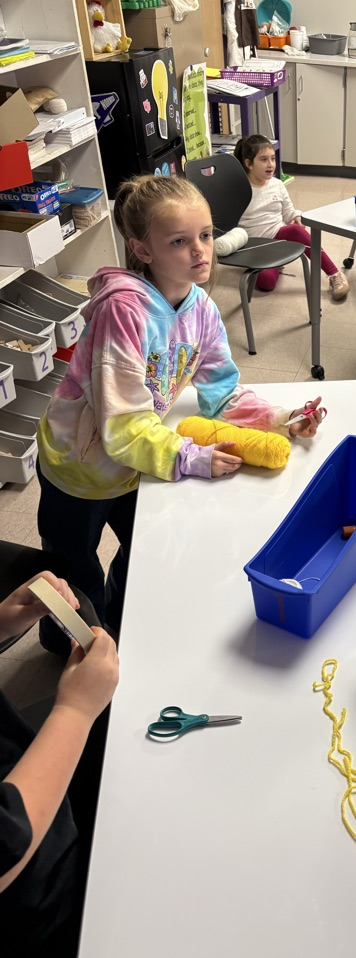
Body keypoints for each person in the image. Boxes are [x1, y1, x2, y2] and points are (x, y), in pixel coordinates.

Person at [36, 174, 325, 651]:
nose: (201, 251)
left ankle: (115, 622)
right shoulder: (124, 313)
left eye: (206, 236)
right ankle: (64, 642)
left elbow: (223, 393)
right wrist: (190, 456)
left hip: (137, 462)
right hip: (79, 468)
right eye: (180, 241)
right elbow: (122, 425)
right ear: (142, 250)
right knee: (73, 568)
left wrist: (281, 418)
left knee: (144, 551)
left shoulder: (202, 309)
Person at [0, 568, 119, 958]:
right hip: (31, 915)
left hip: (34, 780)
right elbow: (6, 839)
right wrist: (75, 710)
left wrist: (2, 622)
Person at [233, 134, 350, 300]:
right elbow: (229, 221)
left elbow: (288, 212)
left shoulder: (277, 184)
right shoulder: (239, 189)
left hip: (276, 237)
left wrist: (296, 216)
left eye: (273, 158)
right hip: (254, 247)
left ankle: (334, 275)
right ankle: (272, 264)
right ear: (248, 164)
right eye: (264, 159)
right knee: (266, 283)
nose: (271, 164)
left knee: (295, 229)